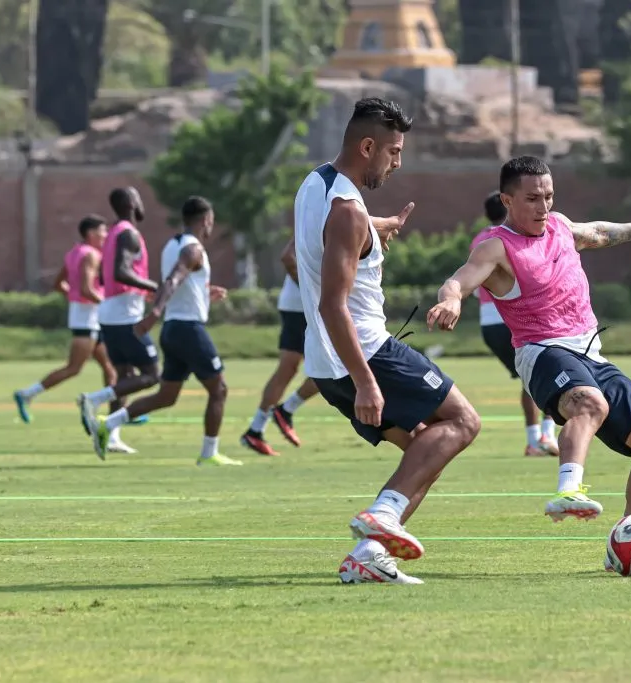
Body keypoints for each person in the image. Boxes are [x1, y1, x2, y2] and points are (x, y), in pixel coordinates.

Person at [427, 156, 631, 558]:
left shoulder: (559, 225)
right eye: (532, 199)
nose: (542, 206)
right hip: (542, 351)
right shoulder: (497, 246)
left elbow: (596, 232)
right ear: (507, 200)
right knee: (589, 404)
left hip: (589, 351)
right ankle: (568, 490)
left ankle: (627, 540)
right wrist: (452, 301)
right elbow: (460, 278)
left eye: (548, 196)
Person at [295, 97, 481, 585]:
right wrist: (367, 383)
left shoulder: (315, 185)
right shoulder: (349, 212)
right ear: (368, 146)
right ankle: (383, 514)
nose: (397, 163)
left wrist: (380, 229)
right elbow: (332, 304)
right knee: (463, 421)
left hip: (323, 362)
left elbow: (320, 240)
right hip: (366, 351)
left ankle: (369, 556)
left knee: (426, 451)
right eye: (393, 152)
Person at [84, 196, 240, 466]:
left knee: (166, 396)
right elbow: (173, 279)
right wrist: (154, 314)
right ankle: (209, 452)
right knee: (220, 390)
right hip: (188, 329)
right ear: (206, 220)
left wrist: (205, 293)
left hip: (173, 330)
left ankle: (108, 424)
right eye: (211, 221)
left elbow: (181, 283)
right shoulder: (194, 250)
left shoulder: (172, 245)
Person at [474, 190, 559, 457]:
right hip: (519, 318)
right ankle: (545, 436)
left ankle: (536, 439)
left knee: (530, 379)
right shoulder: (516, 237)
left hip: (489, 323)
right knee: (546, 376)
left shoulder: (480, 239)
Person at [77, 187, 159, 454]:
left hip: (111, 313)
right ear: (133, 203)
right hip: (126, 316)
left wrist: (138, 292)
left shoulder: (113, 232)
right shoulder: (128, 233)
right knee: (151, 375)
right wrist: (153, 286)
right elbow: (120, 272)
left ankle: (111, 435)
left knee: (124, 376)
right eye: (139, 197)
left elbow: (105, 276)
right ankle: (92, 399)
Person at [13, 215, 117, 422]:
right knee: (73, 368)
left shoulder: (74, 253)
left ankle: (117, 413)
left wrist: (74, 298)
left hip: (86, 317)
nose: (106, 236)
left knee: (110, 367)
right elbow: (87, 289)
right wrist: (107, 305)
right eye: (103, 231)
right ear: (91, 233)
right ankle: (27, 394)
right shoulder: (91, 255)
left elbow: (59, 284)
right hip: (87, 320)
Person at [240, 237, 321, 456]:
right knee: (333, 367)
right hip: (303, 309)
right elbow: (288, 257)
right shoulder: (323, 216)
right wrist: (309, 289)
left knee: (288, 369)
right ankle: (286, 410)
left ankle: (256, 430)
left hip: (298, 307)